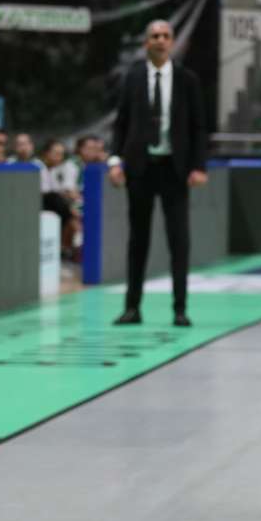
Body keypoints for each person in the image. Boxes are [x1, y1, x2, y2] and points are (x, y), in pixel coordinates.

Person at [108, 19, 208, 328]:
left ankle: (180, 308)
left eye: (165, 36)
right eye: (154, 36)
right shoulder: (134, 77)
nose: (160, 40)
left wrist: (198, 166)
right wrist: (115, 160)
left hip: (174, 169)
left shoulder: (187, 79)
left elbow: (198, 126)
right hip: (140, 167)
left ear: (173, 41)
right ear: (146, 43)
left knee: (179, 239)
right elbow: (121, 122)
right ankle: (132, 307)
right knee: (138, 239)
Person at [36, 139, 80, 259]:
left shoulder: (56, 170)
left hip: (55, 207)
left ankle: (65, 248)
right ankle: (71, 245)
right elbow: (46, 193)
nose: (59, 157)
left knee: (68, 211)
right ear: (46, 153)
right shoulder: (37, 167)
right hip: (38, 205)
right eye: (56, 154)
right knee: (65, 209)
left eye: (61, 154)